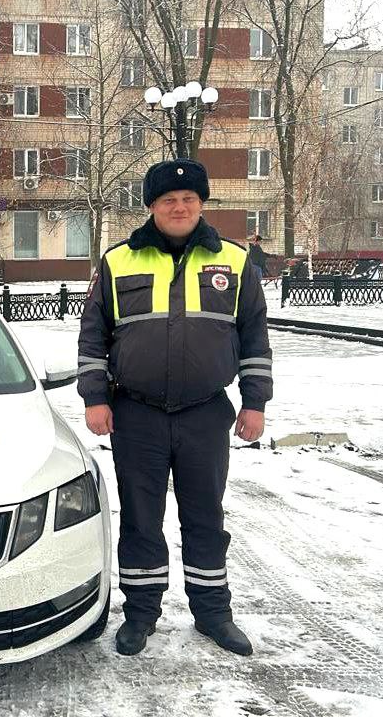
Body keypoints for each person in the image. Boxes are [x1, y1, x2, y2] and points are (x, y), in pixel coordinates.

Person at [76, 159, 272, 657]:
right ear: (152, 207)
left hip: (206, 411)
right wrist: (96, 397)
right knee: (142, 517)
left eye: (188, 199)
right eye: (168, 200)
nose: (179, 207)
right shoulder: (119, 261)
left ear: (201, 203)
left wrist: (255, 403)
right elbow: (93, 336)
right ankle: (141, 614)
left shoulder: (234, 260)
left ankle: (213, 613)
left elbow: (254, 336)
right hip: (136, 413)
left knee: (205, 515)